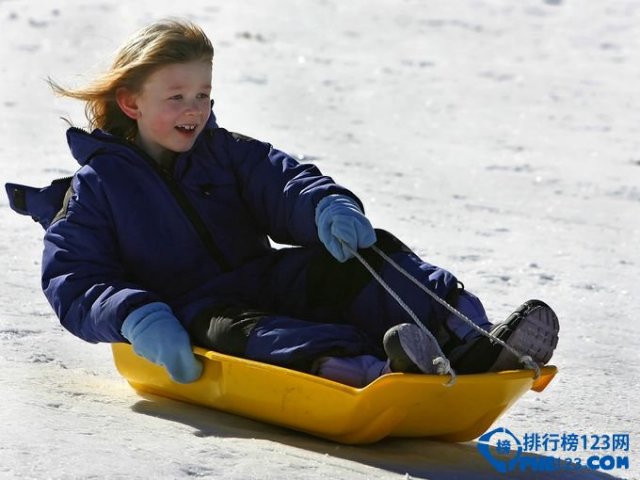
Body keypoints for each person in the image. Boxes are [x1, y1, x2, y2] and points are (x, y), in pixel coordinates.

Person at [6, 19, 559, 388]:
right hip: (196, 308)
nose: (193, 109)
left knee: (363, 256)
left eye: (203, 95)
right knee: (249, 334)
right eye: (176, 97)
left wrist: (326, 210)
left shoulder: (226, 153)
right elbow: (76, 278)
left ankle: (468, 336)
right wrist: (134, 315)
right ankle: (370, 368)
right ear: (130, 102)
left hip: (267, 276)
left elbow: (286, 183)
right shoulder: (96, 188)